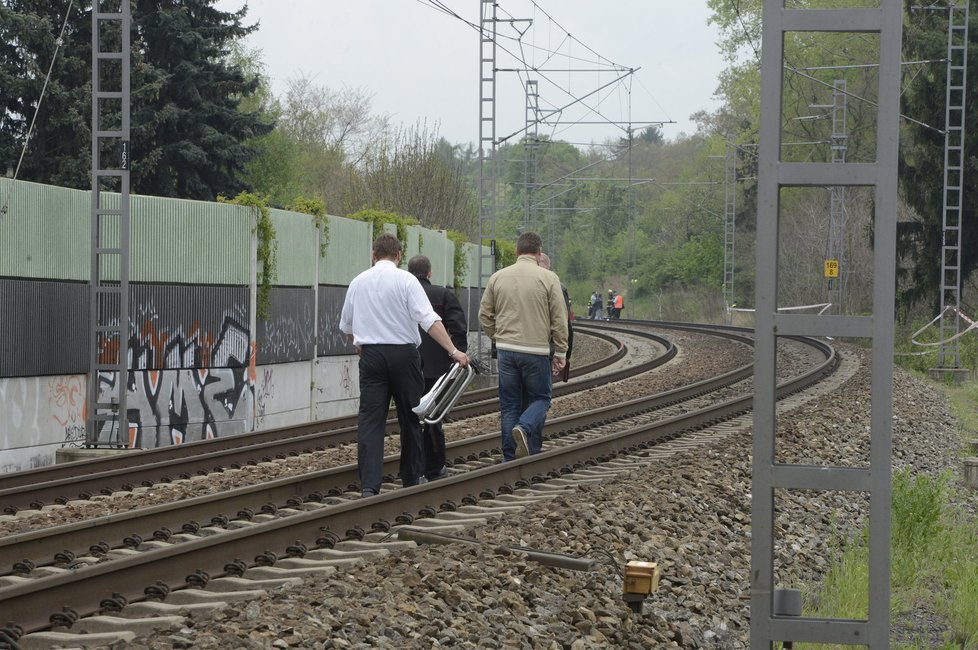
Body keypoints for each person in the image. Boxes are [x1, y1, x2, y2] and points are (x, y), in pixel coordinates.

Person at [339, 234, 469, 497]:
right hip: (404, 356)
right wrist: (453, 351)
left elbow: (348, 328)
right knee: (411, 418)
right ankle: (410, 478)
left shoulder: (358, 282)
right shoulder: (407, 280)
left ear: (373, 255)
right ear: (398, 256)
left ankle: (369, 486)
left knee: (370, 421)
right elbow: (429, 320)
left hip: (372, 357)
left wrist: (361, 347)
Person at [479, 232, 568, 460]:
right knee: (541, 399)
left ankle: (510, 456)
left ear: (517, 251)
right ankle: (525, 428)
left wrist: (498, 337)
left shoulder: (498, 277)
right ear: (538, 254)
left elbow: (484, 315)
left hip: (507, 351)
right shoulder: (549, 278)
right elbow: (559, 318)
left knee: (509, 405)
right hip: (536, 351)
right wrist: (560, 351)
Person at [407, 254, 468, 482]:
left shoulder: (402, 292)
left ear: (409, 272)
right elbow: (458, 326)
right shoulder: (442, 294)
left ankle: (415, 468)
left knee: (411, 419)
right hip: (437, 368)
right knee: (433, 418)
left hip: (409, 365)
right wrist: (456, 353)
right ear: (429, 273)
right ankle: (435, 466)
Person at [538, 253, 573, 382]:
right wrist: (563, 353)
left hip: (514, 348)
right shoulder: (557, 286)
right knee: (541, 395)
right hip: (545, 349)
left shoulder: (517, 282)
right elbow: (563, 321)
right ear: (548, 266)